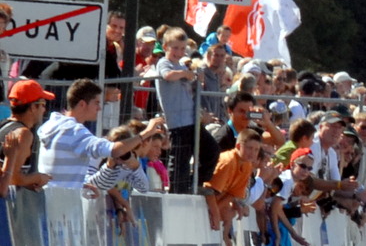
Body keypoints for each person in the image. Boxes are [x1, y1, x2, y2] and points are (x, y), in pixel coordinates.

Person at [38, 78, 166, 189]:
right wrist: (146, 133)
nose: (99, 108)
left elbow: (59, 170)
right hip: (63, 204)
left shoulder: (52, 124)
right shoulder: (74, 131)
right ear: (82, 104)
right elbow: (115, 150)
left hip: (51, 197)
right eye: (97, 103)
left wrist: (81, 184)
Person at [155, 27, 219, 193]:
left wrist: (196, 78)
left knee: (211, 150)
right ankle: (176, 191)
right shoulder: (165, 63)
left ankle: (193, 183)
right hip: (178, 122)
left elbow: (192, 86)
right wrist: (185, 73)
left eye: (182, 49)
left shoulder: (183, 66)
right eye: (175, 48)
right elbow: (167, 75)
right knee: (179, 161)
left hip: (191, 120)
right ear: (165, 47)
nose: (179, 52)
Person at [0, 79, 54, 195]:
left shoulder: (3, 124)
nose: (44, 110)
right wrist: (37, 178)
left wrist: (27, 183)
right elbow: (12, 177)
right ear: (33, 107)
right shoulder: (23, 134)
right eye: (43, 104)